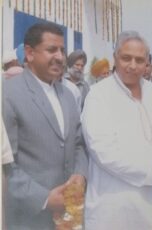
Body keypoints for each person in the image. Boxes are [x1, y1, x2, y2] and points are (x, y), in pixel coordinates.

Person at [81, 31, 152, 229]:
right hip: (113, 208)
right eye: (126, 58)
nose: (132, 65)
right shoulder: (99, 95)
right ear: (115, 57)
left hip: (150, 206)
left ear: (147, 63)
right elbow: (103, 152)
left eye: (139, 60)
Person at [2, 23, 88, 230]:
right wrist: (44, 198)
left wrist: (80, 175)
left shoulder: (68, 94)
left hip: (69, 214)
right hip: (29, 216)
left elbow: (78, 144)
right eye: (52, 50)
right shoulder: (8, 94)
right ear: (29, 53)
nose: (60, 57)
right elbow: (5, 165)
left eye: (62, 50)